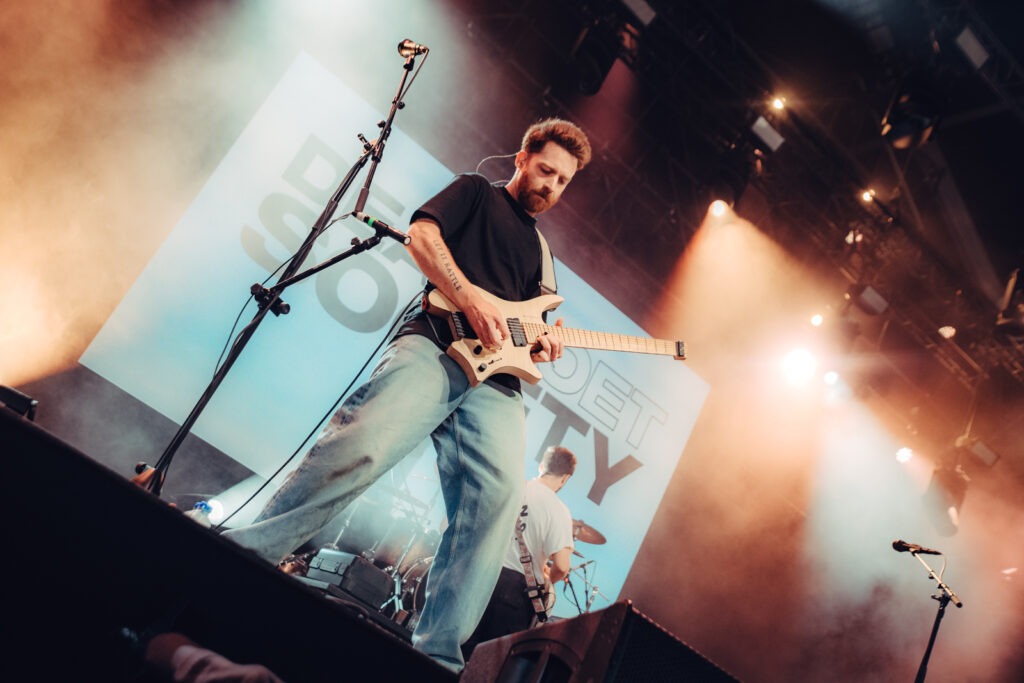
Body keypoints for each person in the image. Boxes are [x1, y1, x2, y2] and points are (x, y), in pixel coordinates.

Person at [221, 118, 592, 672]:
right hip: (436, 344)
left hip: (497, 386)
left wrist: (545, 347)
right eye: (545, 171)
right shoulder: (475, 192)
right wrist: (469, 298)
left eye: (562, 181)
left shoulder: (542, 253)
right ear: (521, 158)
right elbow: (422, 236)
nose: (551, 186)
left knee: (493, 509)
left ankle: (437, 659)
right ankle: (240, 556)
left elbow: (529, 333)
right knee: (364, 445)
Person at [461, 445, 577, 662]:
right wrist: (548, 580)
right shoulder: (559, 511)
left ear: (542, 466)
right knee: (487, 665)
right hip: (513, 593)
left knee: (457, 651)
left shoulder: (512, 487)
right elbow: (562, 566)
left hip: (479, 573)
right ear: (565, 478)